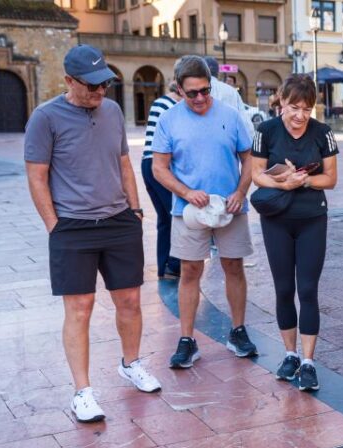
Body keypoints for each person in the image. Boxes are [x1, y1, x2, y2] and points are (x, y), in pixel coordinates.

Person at [24, 44, 162, 423]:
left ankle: (131, 363)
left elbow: (123, 163)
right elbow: (36, 176)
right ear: (69, 80)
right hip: (73, 227)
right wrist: (55, 227)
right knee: (80, 309)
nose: (100, 93)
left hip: (119, 221)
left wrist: (134, 210)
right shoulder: (45, 118)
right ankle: (82, 391)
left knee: (130, 301)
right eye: (92, 86)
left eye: (105, 85)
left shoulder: (113, 111)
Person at [151, 55, 258, 368]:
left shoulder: (230, 114)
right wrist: (186, 193)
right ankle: (187, 339)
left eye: (205, 91)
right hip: (189, 211)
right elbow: (159, 167)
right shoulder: (169, 120)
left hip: (230, 208)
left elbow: (250, 157)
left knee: (234, 267)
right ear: (180, 91)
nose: (200, 98)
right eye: (192, 93)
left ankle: (238, 331)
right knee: (190, 272)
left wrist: (241, 191)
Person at [250, 74, 338, 391]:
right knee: (284, 288)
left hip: (312, 217)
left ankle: (309, 361)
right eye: (293, 107)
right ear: (282, 103)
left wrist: (304, 181)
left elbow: (330, 178)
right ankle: (290, 354)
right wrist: (282, 183)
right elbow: (256, 174)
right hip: (276, 219)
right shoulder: (266, 131)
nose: (299, 115)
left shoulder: (323, 134)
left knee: (308, 289)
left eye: (306, 108)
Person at [141, 82, 181, 278]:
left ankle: (163, 265)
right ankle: (174, 264)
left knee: (165, 218)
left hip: (148, 163)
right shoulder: (171, 105)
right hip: (160, 165)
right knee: (175, 214)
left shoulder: (159, 103)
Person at [203, 56, 254, 136]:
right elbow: (246, 124)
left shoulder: (195, 91)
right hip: (229, 140)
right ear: (218, 72)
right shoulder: (232, 92)